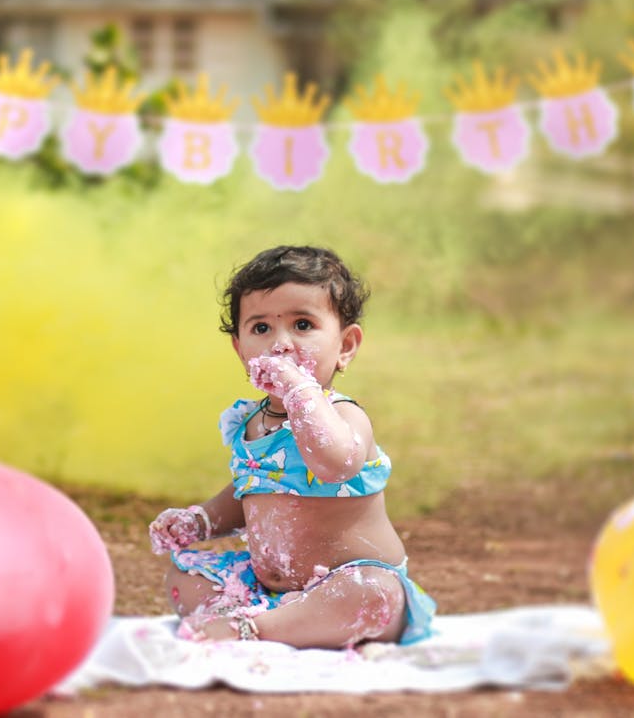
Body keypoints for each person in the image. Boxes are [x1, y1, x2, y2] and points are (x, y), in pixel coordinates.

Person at [148, 245, 437, 648]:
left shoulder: (345, 416)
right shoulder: (250, 422)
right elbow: (249, 491)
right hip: (269, 588)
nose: (281, 344)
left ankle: (256, 629)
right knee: (185, 577)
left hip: (346, 582)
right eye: (261, 329)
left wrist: (301, 393)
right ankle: (259, 615)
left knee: (373, 595)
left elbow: (334, 465)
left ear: (345, 346)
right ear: (240, 348)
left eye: (303, 325)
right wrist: (201, 520)